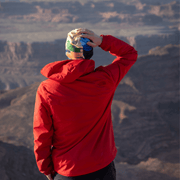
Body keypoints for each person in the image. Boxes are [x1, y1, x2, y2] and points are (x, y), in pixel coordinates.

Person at [33, 28, 138, 180]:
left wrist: (45, 167)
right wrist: (102, 41)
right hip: (102, 168)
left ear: (68, 51)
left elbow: (42, 133)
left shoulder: (47, 88)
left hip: (67, 169)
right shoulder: (105, 79)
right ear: (91, 51)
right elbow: (129, 54)